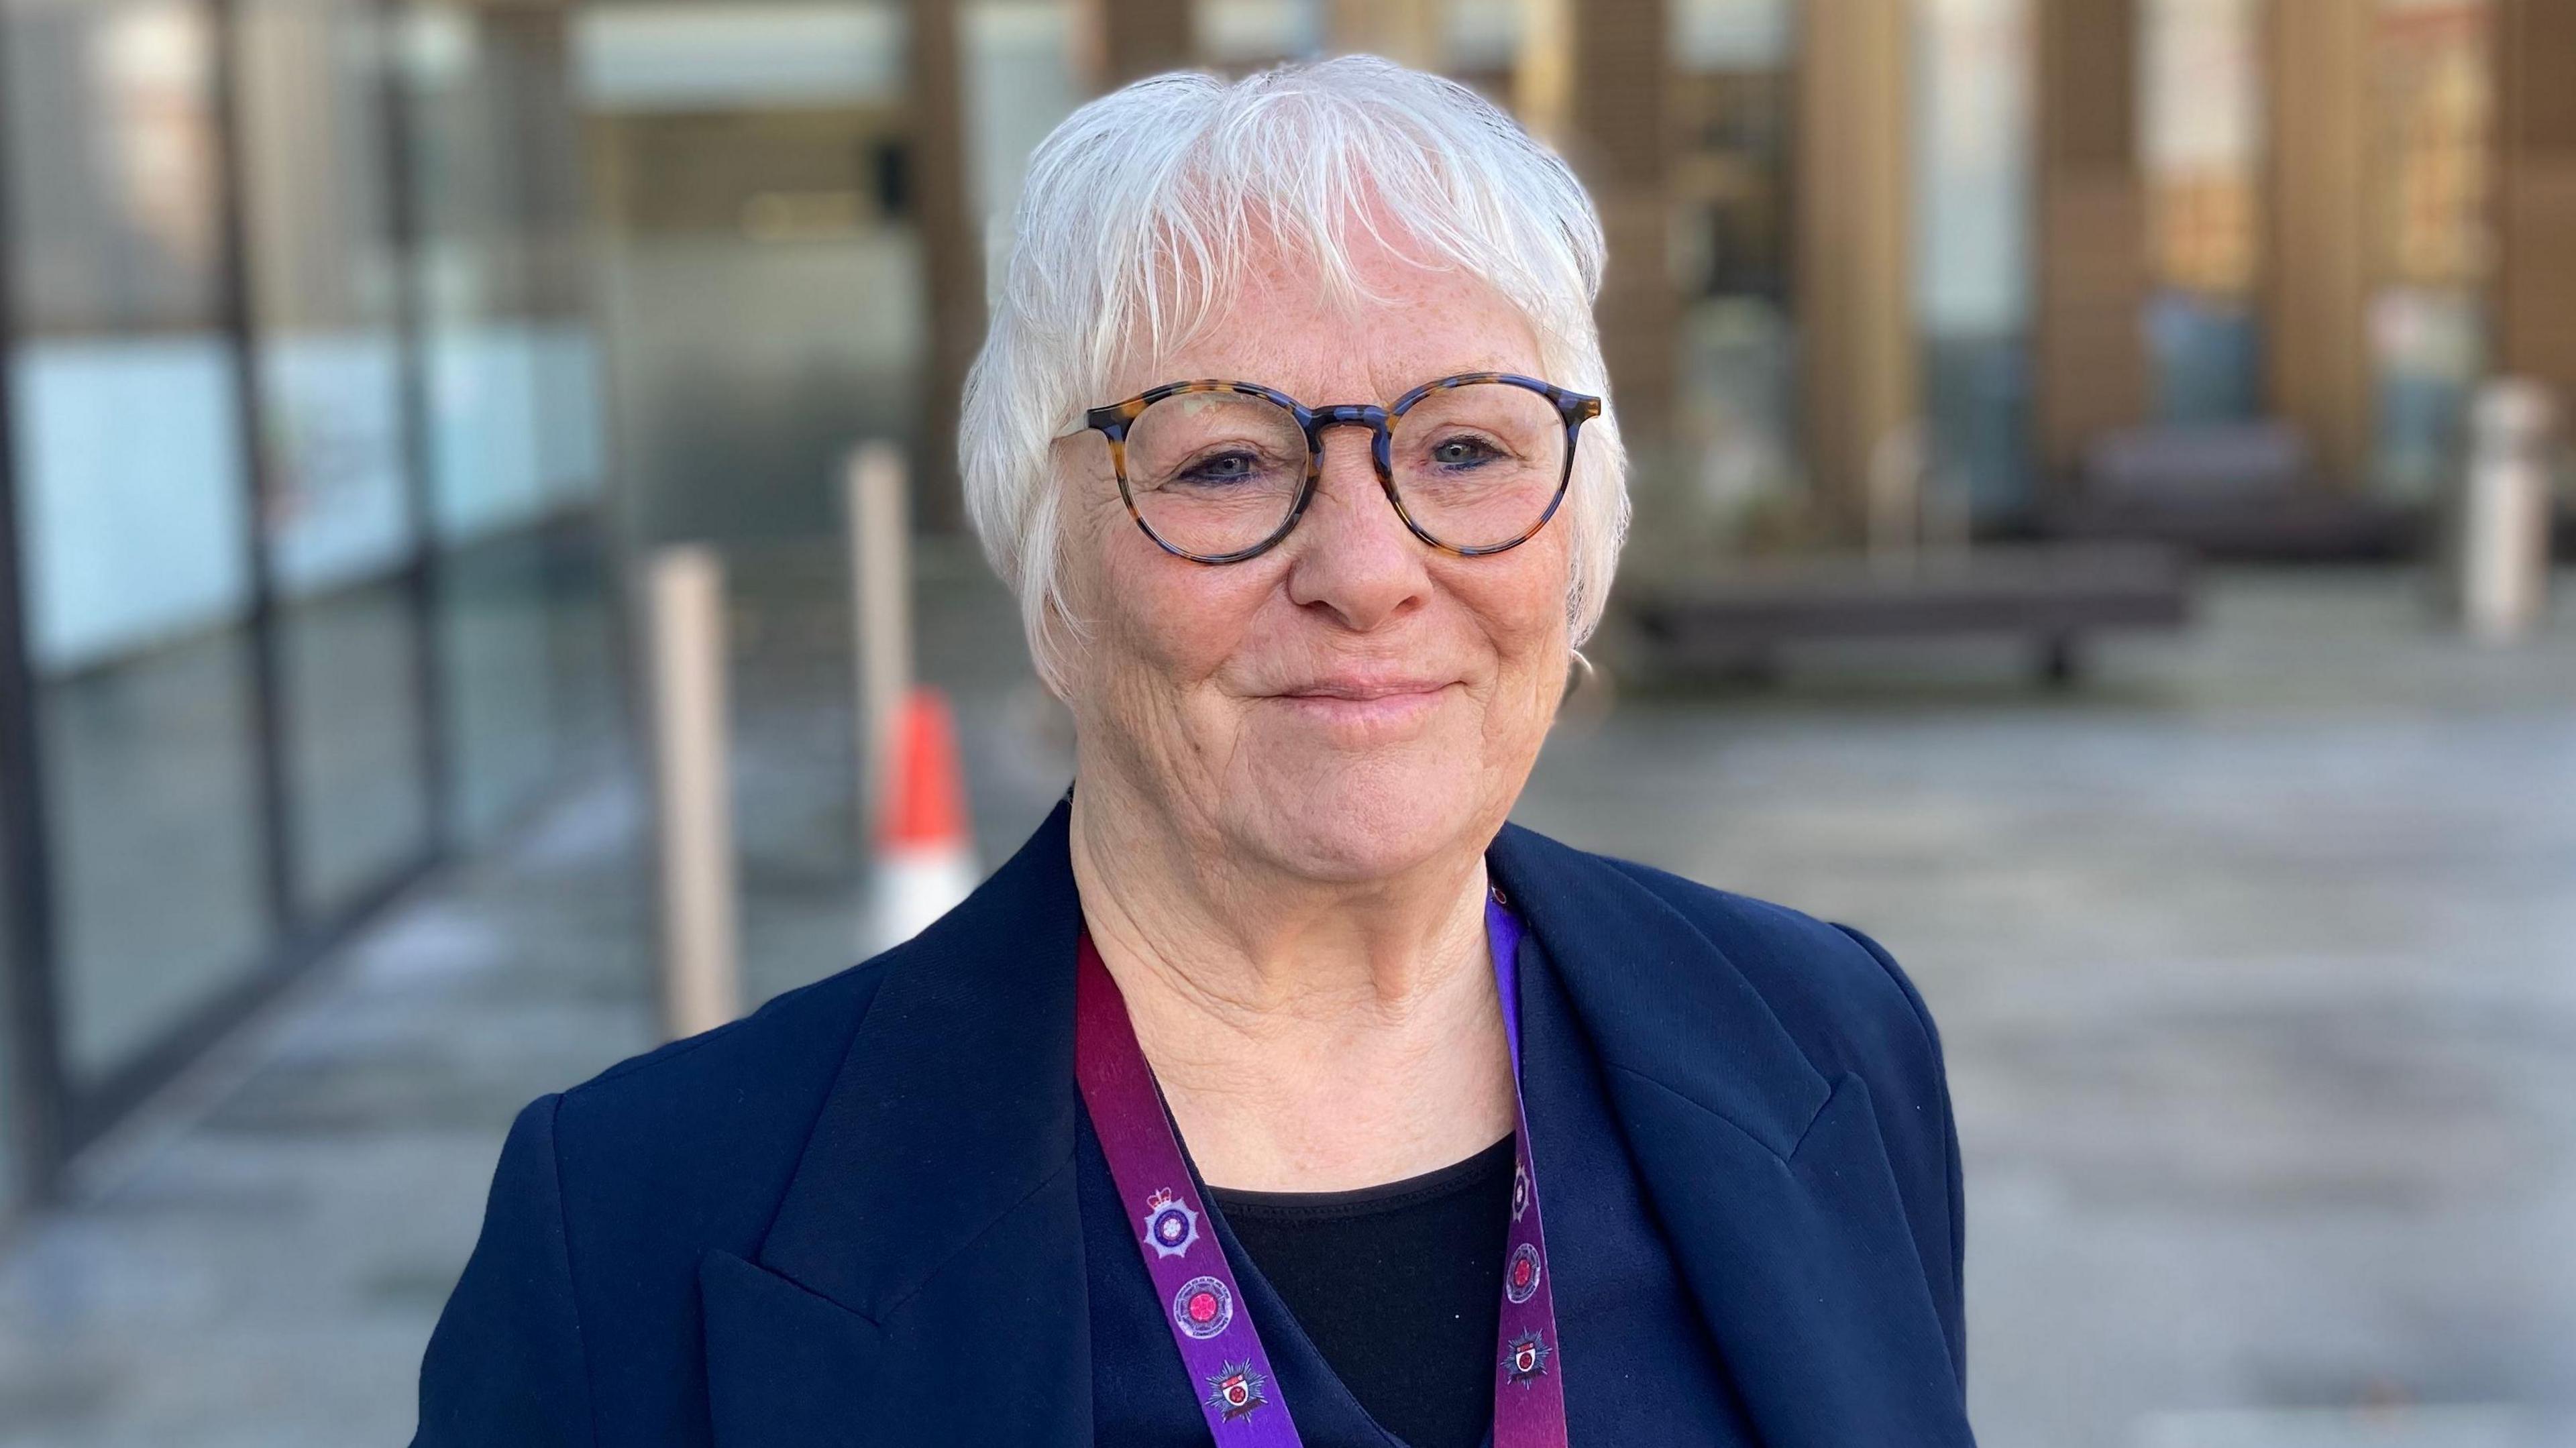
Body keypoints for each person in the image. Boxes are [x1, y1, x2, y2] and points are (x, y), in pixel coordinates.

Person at [413, 56, 1972, 1448]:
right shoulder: (636, 1226)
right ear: (1052, 559)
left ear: (1579, 534)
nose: (1367, 570)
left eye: (1467, 448)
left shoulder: (1829, 1041)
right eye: (1226, 460)